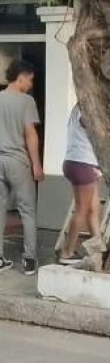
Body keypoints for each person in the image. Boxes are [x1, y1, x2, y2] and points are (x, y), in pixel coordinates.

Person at [0, 59, 43, 275]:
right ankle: (29, 260)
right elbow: (30, 134)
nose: (31, 84)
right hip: (18, 161)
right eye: (30, 80)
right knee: (27, 211)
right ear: (21, 76)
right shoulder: (26, 101)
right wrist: (36, 164)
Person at [57, 104, 106, 265]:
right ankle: (67, 252)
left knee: (94, 208)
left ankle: (97, 251)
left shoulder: (77, 107)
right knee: (82, 210)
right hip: (83, 163)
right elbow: (98, 130)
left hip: (76, 161)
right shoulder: (88, 109)